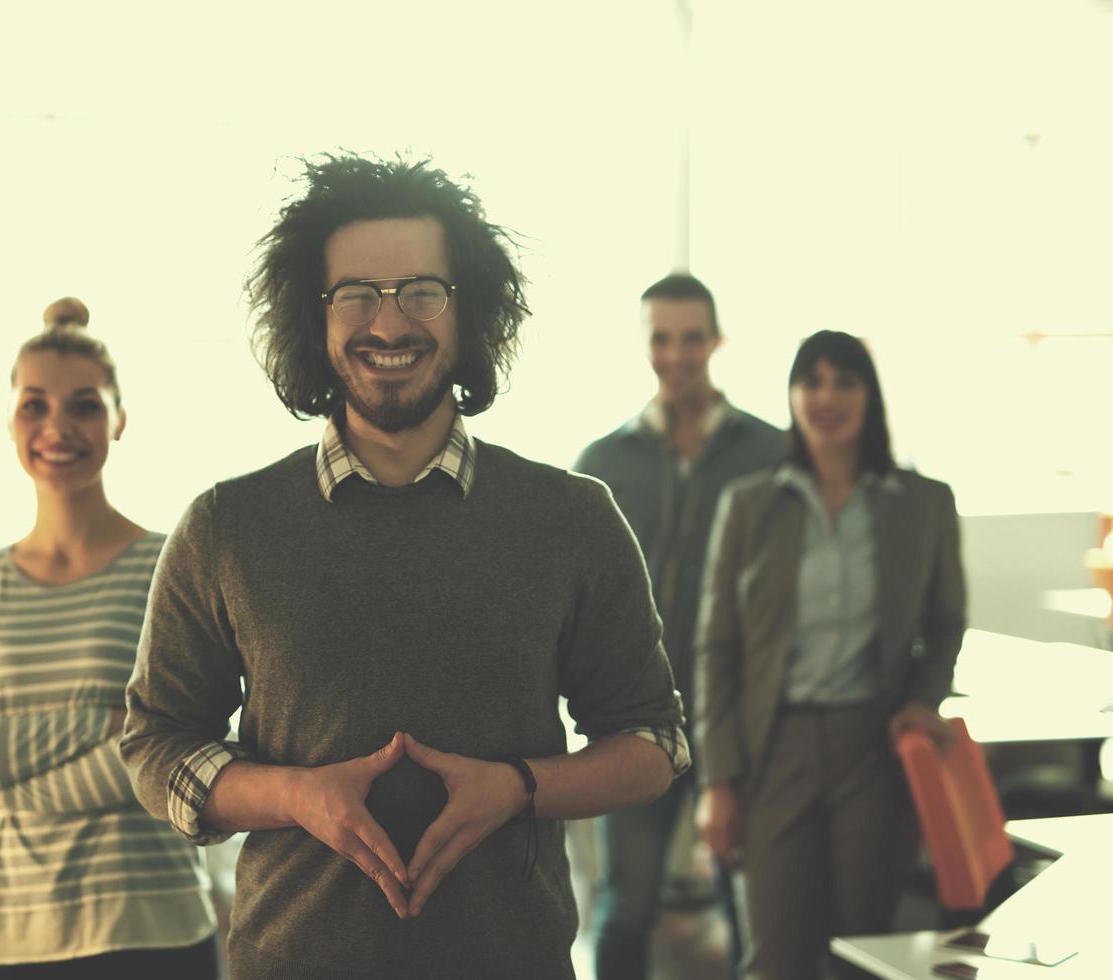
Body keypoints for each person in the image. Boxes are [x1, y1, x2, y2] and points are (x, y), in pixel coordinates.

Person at [120, 155, 690, 980]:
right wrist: (295, 797)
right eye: (356, 293)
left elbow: (655, 741)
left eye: (423, 290)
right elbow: (155, 744)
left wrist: (519, 787)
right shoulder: (227, 526)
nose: (389, 324)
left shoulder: (571, 518)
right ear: (311, 318)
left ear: (471, 314)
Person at [0, 299, 220, 979]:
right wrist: (105, 728)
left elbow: (182, 753)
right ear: (10, 418)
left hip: (150, 923)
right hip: (1, 931)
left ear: (119, 419)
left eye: (84, 406)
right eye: (34, 406)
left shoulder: (174, 566)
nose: (57, 427)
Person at [693, 330, 967, 979]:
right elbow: (715, 647)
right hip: (774, 746)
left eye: (844, 380)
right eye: (810, 381)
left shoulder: (924, 502)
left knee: (864, 949)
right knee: (775, 955)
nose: (827, 397)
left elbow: (947, 619)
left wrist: (923, 698)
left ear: (869, 395)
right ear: (791, 396)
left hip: (873, 748)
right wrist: (717, 780)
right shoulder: (749, 505)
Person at [573, 273, 779, 979]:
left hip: (741, 721)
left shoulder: (773, 455)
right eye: (661, 338)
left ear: (716, 340)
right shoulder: (602, 464)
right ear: (645, 344)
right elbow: (578, 597)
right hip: (632, 720)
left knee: (749, 904)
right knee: (624, 906)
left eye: (692, 338)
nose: (677, 354)